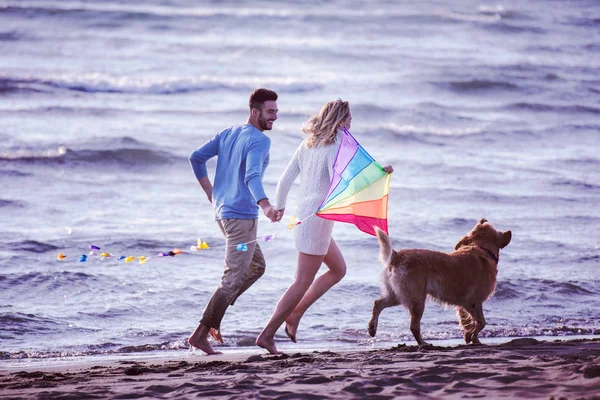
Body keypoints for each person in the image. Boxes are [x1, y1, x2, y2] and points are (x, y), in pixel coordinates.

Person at [256, 99, 393, 354]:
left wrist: (281, 208)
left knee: (338, 269)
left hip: (302, 216)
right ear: (341, 120)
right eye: (349, 119)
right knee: (301, 281)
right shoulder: (337, 144)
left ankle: (296, 313)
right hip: (316, 221)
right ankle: (267, 334)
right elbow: (343, 182)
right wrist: (378, 175)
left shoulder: (308, 144)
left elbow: (284, 180)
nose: (351, 124)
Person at [188, 88, 281, 355]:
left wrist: (210, 191)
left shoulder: (228, 133)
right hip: (241, 220)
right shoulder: (260, 141)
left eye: (276, 110)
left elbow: (196, 158)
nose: (275, 116)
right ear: (255, 112)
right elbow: (253, 176)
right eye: (270, 111)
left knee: (256, 266)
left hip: (225, 215)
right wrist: (266, 205)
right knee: (233, 277)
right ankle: (201, 334)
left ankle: (214, 318)